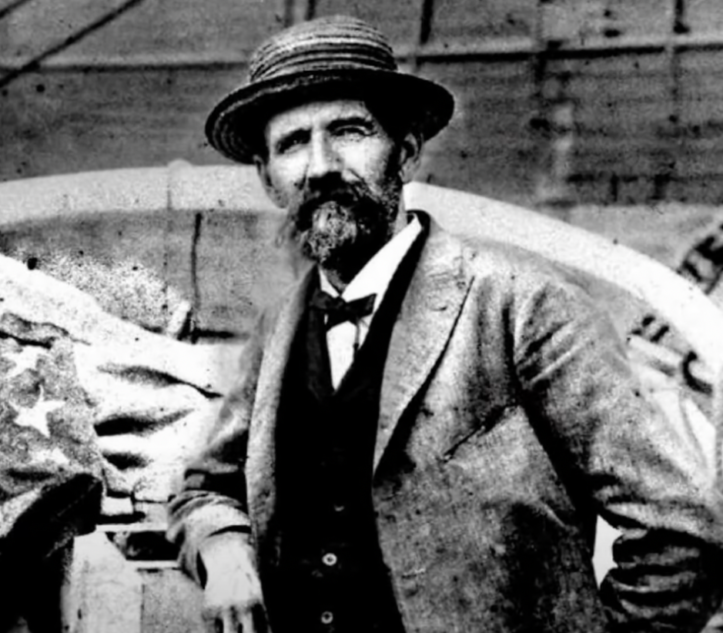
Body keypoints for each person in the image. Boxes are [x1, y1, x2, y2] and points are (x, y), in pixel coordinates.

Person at [167, 14, 723, 633]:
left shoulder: (523, 305)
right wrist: (223, 551)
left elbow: (679, 533)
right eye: (292, 143)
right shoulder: (281, 328)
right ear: (270, 180)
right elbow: (204, 489)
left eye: (349, 131)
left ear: (405, 151)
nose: (321, 165)